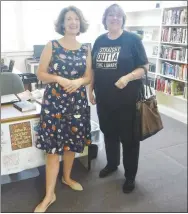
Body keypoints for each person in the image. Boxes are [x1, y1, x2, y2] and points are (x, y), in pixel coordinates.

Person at [34, 6, 92, 212]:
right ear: (63, 23)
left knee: (71, 144)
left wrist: (79, 83)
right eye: (69, 19)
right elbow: (40, 74)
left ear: (80, 23)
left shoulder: (86, 48)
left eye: (76, 18)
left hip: (76, 103)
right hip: (55, 104)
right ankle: (49, 195)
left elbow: (88, 76)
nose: (73, 22)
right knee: (53, 149)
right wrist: (58, 78)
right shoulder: (52, 45)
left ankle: (67, 178)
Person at [89, 3, 149, 194]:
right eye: (110, 15)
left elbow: (144, 66)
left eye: (118, 15)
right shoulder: (99, 41)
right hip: (104, 100)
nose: (114, 18)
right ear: (105, 19)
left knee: (129, 139)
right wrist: (90, 90)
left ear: (123, 19)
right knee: (109, 133)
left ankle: (130, 175)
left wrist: (128, 77)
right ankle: (112, 164)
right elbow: (93, 69)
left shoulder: (132, 39)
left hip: (128, 101)